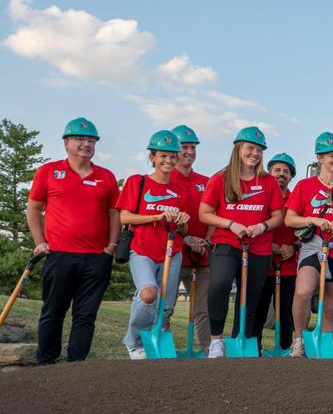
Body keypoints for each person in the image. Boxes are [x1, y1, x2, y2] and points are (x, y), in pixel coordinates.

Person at [27, 118, 120, 364]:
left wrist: (111, 246)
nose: (86, 144)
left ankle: (76, 367)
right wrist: (40, 241)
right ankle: (46, 363)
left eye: (91, 140)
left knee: (85, 315)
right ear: (67, 143)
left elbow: (114, 213)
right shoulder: (48, 171)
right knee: (53, 312)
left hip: (96, 257)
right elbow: (34, 209)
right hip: (59, 254)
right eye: (80, 139)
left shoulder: (106, 177)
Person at [199, 126, 284, 358]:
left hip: (259, 247)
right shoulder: (220, 178)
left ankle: (240, 339)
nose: (254, 153)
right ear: (238, 149)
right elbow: (204, 213)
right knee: (220, 284)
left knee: (250, 297)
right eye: (250, 148)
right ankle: (216, 340)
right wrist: (230, 224)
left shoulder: (268, 182)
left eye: (259, 149)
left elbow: (278, 216)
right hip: (226, 243)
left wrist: (262, 226)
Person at [116, 130, 191, 359]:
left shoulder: (180, 190)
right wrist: (157, 217)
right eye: (163, 156)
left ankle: (157, 337)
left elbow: (184, 231)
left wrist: (182, 222)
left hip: (172, 252)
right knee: (148, 294)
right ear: (152, 157)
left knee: (165, 306)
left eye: (172, 156)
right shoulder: (138, 183)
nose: (168, 161)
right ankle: (135, 342)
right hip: (143, 251)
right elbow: (125, 218)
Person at [284, 133, 333, 357]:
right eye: (331, 156)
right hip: (313, 246)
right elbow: (290, 219)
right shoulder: (304, 185)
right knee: (303, 291)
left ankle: (324, 347)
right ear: (319, 158)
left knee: (331, 306)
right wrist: (313, 220)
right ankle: (298, 340)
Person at [167, 124, 211, 351]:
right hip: (172, 253)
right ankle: (162, 346)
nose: (190, 152)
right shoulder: (164, 180)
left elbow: (215, 213)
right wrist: (186, 240)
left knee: (203, 308)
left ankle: (206, 349)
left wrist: (205, 241)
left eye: (193, 147)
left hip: (201, 254)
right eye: (185, 147)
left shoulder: (206, 181)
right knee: (167, 305)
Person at [251, 153, 298, 352]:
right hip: (262, 261)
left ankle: (285, 347)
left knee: (286, 311)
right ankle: (255, 348)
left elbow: (305, 229)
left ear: (291, 176)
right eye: (277, 170)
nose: (281, 174)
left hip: (288, 265)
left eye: (286, 171)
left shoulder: (296, 198)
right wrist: (267, 244)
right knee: (258, 310)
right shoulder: (260, 194)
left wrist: (293, 246)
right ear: (269, 172)